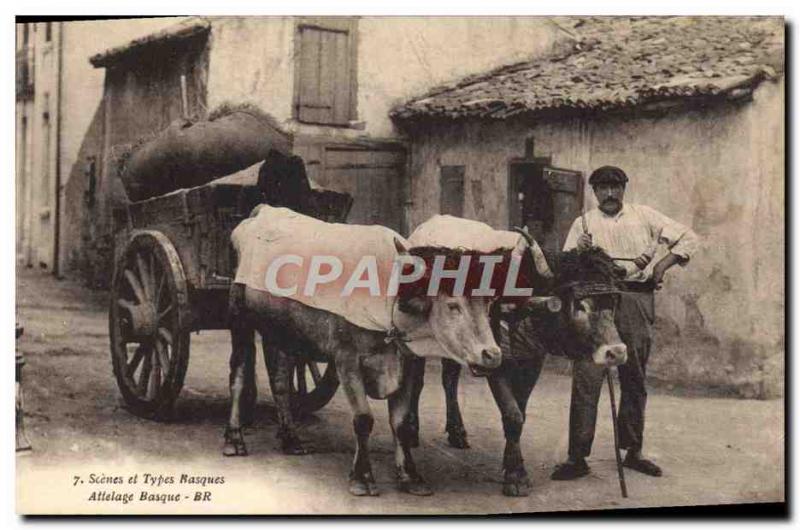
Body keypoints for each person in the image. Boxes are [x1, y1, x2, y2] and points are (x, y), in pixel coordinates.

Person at [551, 165, 699, 480]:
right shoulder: (584, 224)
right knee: (588, 376)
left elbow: (688, 238)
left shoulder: (644, 216)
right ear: (593, 192)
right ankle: (577, 457)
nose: (609, 193)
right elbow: (566, 265)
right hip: (598, 302)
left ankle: (634, 451)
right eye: (602, 187)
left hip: (636, 299)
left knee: (634, 375)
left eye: (615, 187)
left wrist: (660, 268)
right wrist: (583, 259)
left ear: (623, 189)